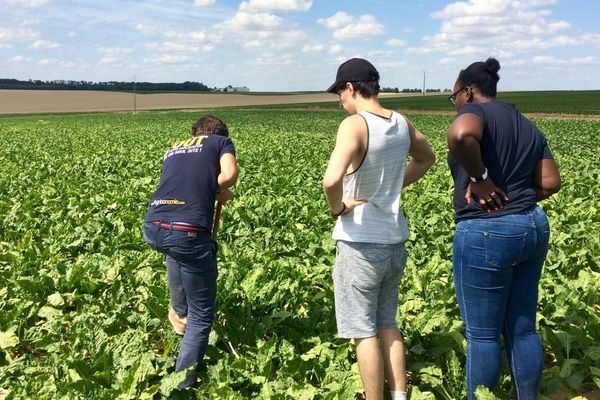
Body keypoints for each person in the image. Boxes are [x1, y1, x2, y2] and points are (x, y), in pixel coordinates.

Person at [446, 58, 561, 399]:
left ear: (467, 91)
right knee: (523, 329)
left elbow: (461, 135)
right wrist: (515, 197)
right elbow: (551, 182)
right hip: (533, 226)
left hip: (486, 232)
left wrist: (482, 181)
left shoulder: (475, 114)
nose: (453, 103)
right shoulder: (525, 123)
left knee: (482, 335)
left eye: (453, 96)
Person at [322, 58, 435, 400]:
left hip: (360, 245)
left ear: (352, 88)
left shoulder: (355, 125)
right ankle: (400, 396)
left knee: (362, 331)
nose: (340, 100)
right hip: (393, 242)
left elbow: (330, 180)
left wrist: (338, 208)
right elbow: (426, 157)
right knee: (388, 323)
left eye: (340, 92)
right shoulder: (401, 122)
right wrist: (394, 186)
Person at [142, 115, 238, 390]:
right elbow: (229, 174)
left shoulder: (174, 147)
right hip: (188, 230)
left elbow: (181, 182)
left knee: (176, 252)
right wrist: (219, 189)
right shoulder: (220, 142)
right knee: (202, 314)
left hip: (154, 226)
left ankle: (178, 311)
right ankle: (181, 385)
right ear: (220, 133)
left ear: (195, 132)